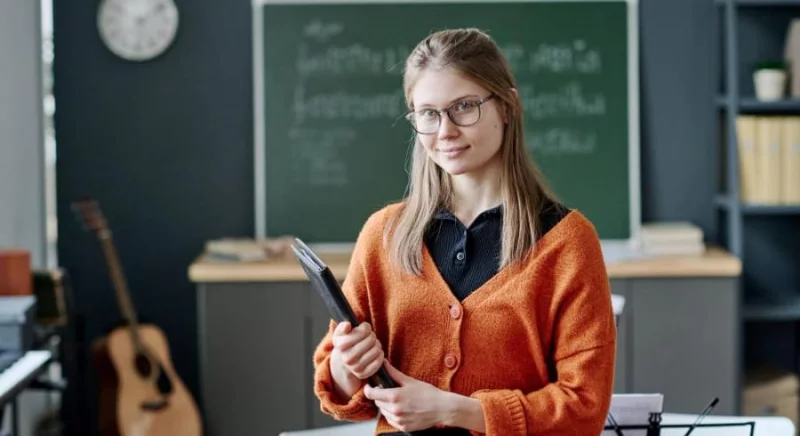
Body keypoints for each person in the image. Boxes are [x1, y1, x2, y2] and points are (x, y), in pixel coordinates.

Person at [312, 27, 616, 436]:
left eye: (464, 107)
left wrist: (454, 409)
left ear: (507, 106)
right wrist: (347, 364)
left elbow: (584, 408)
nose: (445, 131)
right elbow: (341, 392)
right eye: (428, 113)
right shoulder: (384, 235)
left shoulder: (568, 243)